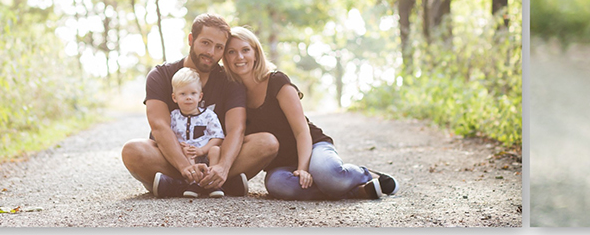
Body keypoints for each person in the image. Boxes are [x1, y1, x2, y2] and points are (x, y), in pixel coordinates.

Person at [223, 26, 399, 200]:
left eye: (245, 50)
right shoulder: (234, 96)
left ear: (255, 53)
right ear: (225, 58)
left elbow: (302, 131)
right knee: (278, 186)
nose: (239, 57)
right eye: (231, 52)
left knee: (329, 175)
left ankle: (366, 175)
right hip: (282, 165)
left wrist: (303, 168)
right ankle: (357, 191)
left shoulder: (276, 81)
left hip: (313, 147)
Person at [122, 13, 279, 198]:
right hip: (174, 157)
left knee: (267, 143)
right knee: (132, 150)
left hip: (214, 155)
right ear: (191, 39)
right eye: (205, 43)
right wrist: (185, 167)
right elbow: (159, 126)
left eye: (219, 47)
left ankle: (179, 185)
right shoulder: (160, 75)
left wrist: (222, 166)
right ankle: (218, 185)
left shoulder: (230, 81)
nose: (211, 52)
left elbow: (237, 129)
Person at [160, 68, 228, 197]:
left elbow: (218, 137)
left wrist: (202, 150)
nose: (189, 98)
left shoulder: (208, 115)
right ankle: (193, 183)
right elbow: (169, 139)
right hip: (187, 158)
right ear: (174, 97)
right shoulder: (173, 117)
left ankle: (213, 182)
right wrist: (181, 147)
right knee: (188, 152)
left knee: (216, 150)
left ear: (200, 96)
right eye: (183, 94)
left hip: (206, 153)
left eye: (193, 93)